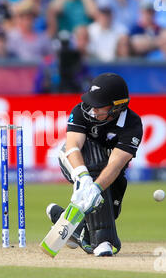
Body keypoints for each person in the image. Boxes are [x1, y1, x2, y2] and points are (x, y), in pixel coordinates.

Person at [49, 72, 143, 256]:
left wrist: (96, 188)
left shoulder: (132, 124)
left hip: (110, 174)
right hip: (74, 163)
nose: (93, 110)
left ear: (117, 107)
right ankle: (102, 242)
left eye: (99, 106)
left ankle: (78, 230)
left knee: (107, 212)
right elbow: (72, 146)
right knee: (93, 157)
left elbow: (116, 164)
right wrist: (84, 179)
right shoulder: (80, 111)